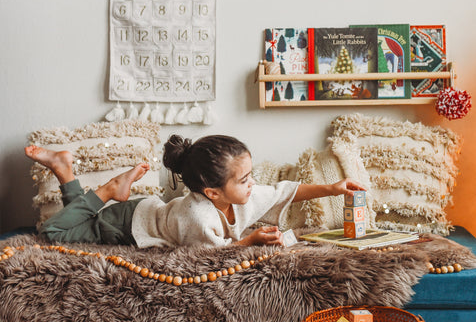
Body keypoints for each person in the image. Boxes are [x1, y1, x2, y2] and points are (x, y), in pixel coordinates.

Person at [24, 134, 366, 248]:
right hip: (123, 225)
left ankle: (64, 169)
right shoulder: (197, 215)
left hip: (145, 211)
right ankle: (110, 188)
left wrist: (332, 188)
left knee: (75, 222)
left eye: (249, 176)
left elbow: (283, 191)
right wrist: (250, 240)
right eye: (244, 179)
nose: (252, 184)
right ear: (212, 192)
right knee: (54, 233)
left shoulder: (244, 197)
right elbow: (210, 257)